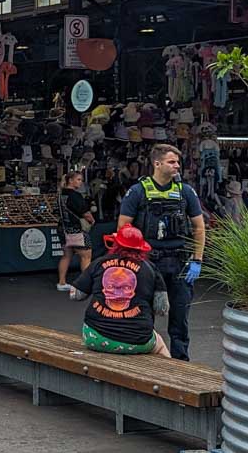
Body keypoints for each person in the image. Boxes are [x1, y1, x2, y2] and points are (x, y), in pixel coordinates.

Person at [117, 144, 205, 361]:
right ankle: (145, 363)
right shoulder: (137, 191)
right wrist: (128, 262)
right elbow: (123, 228)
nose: (177, 166)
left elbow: (199, 227)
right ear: (157, 164)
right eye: (171, 162)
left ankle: (181, 364)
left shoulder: (185, 192)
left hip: (180, 262)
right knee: (143, 315)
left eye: (177, 162)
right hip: (147, 262)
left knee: (180, 318)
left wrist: (197, 260)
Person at [65, 223, 171, 357]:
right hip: (138, 340)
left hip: (95, 337)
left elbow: (75, 295)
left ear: (115, 244)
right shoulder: (150, 269)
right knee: (160, 346)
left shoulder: (98, 263)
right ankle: (172, 370)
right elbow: (162, 309)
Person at [57, 170, 94, 291]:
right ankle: (85, 285)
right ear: (70, 180)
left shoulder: (61, 194)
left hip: (63, 228)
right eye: (78, 179)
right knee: (86, 256)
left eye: (81, 180)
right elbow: (86, 213)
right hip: (75, 229)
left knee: (66, 255)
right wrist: (92, 220)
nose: (80, 182)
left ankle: (61, 283)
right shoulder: (75, 195)